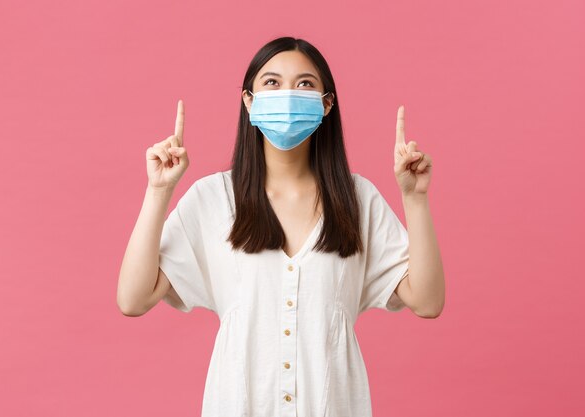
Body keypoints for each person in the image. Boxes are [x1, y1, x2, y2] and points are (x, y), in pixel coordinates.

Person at [117, 36, 445, 417]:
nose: (288, 94)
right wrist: (159, 191)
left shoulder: (357, 199)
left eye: (305, 83)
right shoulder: (212, 198)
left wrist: (415, 199)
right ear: (249, 101)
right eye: (272, 82)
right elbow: (132, 299)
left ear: (326, 104)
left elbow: (428, 300)